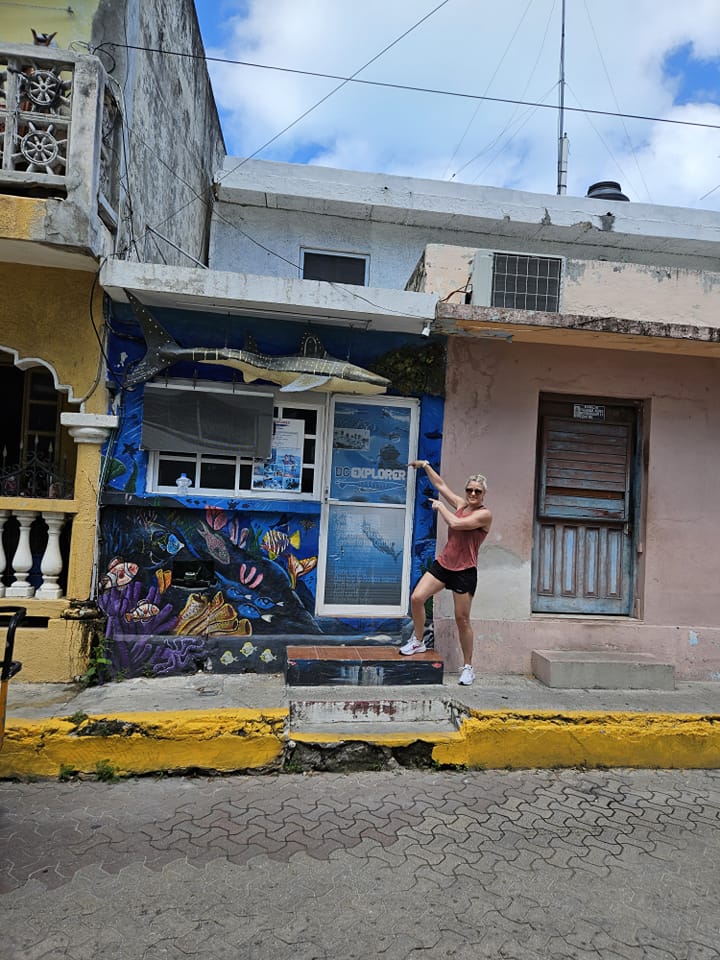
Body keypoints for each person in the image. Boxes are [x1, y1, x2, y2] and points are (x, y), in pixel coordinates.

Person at [400, 460, 492, 686]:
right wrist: (426, 466)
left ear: (483, 494)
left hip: (464, 571)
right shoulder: (461, 504)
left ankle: (468, 667)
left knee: (462, 620)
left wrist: (441, 507)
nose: (472, 493)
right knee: (417, 598)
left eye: (477, 491)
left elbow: (456, 524)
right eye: (469, 489)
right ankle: (418, 641)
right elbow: (441, 485)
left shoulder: (484, 515)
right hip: (444, 564)